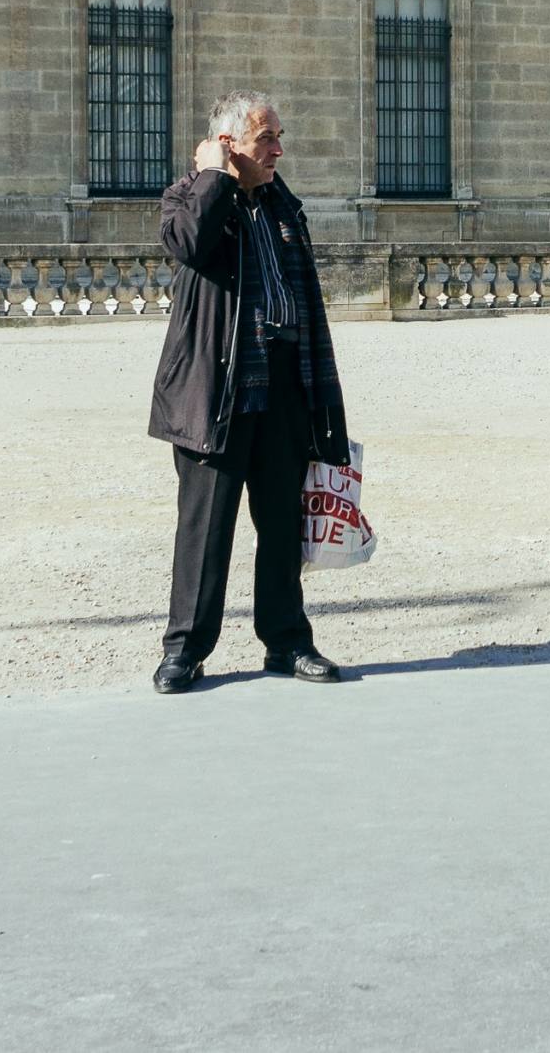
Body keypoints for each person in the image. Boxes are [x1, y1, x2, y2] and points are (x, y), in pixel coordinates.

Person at [149, 90, 353, 694]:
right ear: (229, 143)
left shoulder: (282, 207)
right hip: (216, 391)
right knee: (205, 530)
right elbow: (187, 244)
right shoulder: (189, 196)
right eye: (267, 139)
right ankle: (184, 651)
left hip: (284, 393)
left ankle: (287, 642)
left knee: (283, 528)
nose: (279, 150)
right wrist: (214, 176)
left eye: (278, 137)